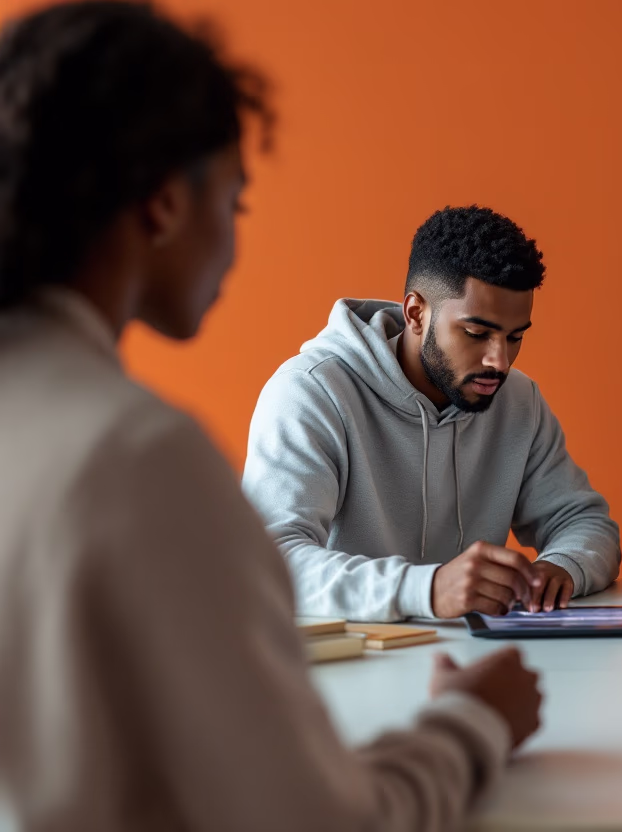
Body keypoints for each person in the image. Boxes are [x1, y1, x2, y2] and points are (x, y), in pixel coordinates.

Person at [0, 4, 542, 830]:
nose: (235, 240)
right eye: (236, 202)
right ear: (163, 204)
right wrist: (474, 722)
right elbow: (321, 823)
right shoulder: (139, 458)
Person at [242, 205, 621, 621]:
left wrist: (561, 568)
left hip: (477, 651)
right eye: (476, 333)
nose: (500, 361)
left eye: (515, 337)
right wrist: (427, 588)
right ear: (416, 313)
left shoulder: (518, 400)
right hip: (353, 653)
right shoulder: (312, 391)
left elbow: (586, 522)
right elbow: (268, 560)